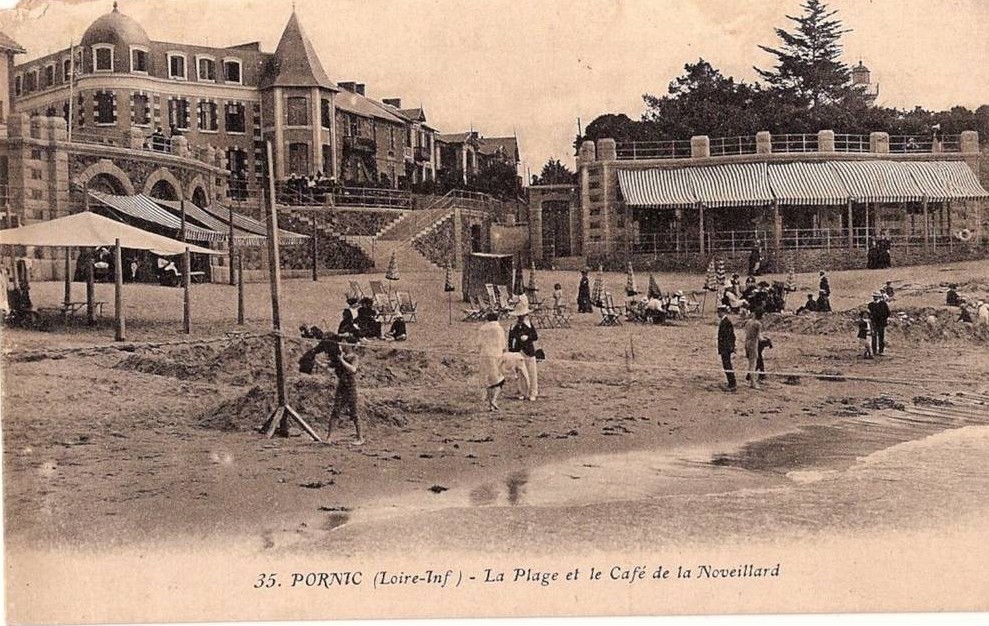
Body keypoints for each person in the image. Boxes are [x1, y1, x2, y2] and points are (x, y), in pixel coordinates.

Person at [327, 338, 364, 446]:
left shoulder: (354, 357)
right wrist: (315, 361)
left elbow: (353, 369)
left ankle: (360, 437)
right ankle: (329, 437)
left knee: (354, 412)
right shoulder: (339, 357)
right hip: (341, 386)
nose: (340, 344)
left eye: (343, 342)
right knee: (336, 411)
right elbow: (327, 367)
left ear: (348, 344)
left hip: (350, 387)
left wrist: (341, 360)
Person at [507, 304, 539, 401]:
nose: (520, 318)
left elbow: (535, 337)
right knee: (520, 374)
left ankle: (533, 393)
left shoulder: (529, 325)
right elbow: (510, 338)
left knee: (531, 372)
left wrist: (527, 337)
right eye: (519, 316)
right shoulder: (513, 326)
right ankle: (522, 392)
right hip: (518, 351)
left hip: (528, 351)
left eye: (522, 316)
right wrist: (511, 350)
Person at [477, 311, 507, 411]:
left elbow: (479, 344)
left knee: (489, 380)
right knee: (499, 379)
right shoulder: (499, 328)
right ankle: (493, 400)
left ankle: (490, 404)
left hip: (484, 355)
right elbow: (503, 345)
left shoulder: (482, 329)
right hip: (495, 355)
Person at [716, 305, 737, 392]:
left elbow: (730, 336)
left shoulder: (726, 322)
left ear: (722, 312)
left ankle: (732, 384)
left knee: (727, 365)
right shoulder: (725, 321)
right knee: (726, 365)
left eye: (719, 312)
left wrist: (730, 347)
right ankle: (731, 383)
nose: (718, 314)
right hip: (725, 347)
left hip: (726, 347)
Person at [743, 308, 764, 389]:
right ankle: (753, 382)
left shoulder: (748, 322)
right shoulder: (758, 324)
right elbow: (759, 337)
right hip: (753, 343)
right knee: (753, 363)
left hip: (747, 342)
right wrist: (766, 339)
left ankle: (751, 380)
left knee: (750, 362)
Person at [868, 291, 891, 356]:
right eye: (874, 297)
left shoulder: (883, 304)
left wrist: (883, 319)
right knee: (874, 337)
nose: (875, 298)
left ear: (879, 297)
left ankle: (881, 351)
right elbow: (869, 314)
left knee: (881, 337)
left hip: (881, 323)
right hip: (874, 323)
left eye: (876, 296)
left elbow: (888, 313)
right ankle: (874, 351)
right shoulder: (870, 305)